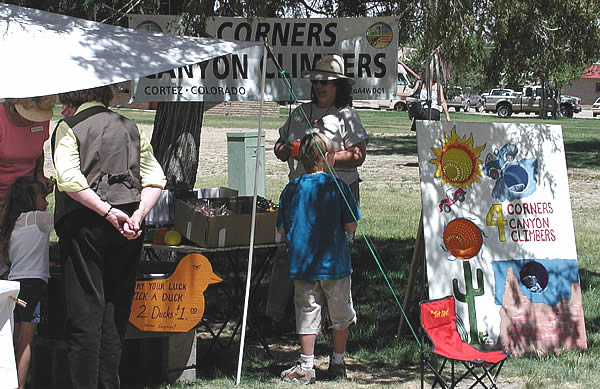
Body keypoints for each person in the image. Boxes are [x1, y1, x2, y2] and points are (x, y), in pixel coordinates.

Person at [52, 85, 166, 389]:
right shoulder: (129, 126)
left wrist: (105, 211)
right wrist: (137, 216)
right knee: (116, 311)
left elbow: (69, 181)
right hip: (128, 225)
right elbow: (156, 179)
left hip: (85, 225)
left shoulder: (69, 127)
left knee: (85, 313)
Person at [266, 54, 368, 328]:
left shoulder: (347, 116)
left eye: (327, 82)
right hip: (301, 196)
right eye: (317, 81)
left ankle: (333, 321)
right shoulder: (300, 113)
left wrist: (321, 158)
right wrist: (286, 150)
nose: (320, 86)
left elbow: (358, 156)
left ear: (339, 86)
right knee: (288, 250)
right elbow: (278, 146)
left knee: (332, 256)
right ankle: (275, 316)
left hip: (337, 195)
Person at [277, 133, 360, 384]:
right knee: (340, 313)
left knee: (306, 312)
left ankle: (306, 364)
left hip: (303, 265)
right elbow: (350, 226)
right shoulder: (339, 187)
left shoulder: (292, 188)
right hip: (335, 265)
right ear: (327, 158)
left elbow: (281, 228)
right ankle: (337, 361)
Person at [0, 176, 53, 389]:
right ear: (31, 200)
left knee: (13, 339)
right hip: (32, 287)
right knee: (25, 342)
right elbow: (62, 219)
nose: (46, 200)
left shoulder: (12, 224)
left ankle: (8, 381)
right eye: (42, 196)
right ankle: (19, 385)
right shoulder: (37, 219)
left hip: (15, 287)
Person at [0, 96, 55, 206]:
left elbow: (38, 149)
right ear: (14, 107)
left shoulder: (42, 120)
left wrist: (39, 175)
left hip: (27, 192)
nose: (34, 120)